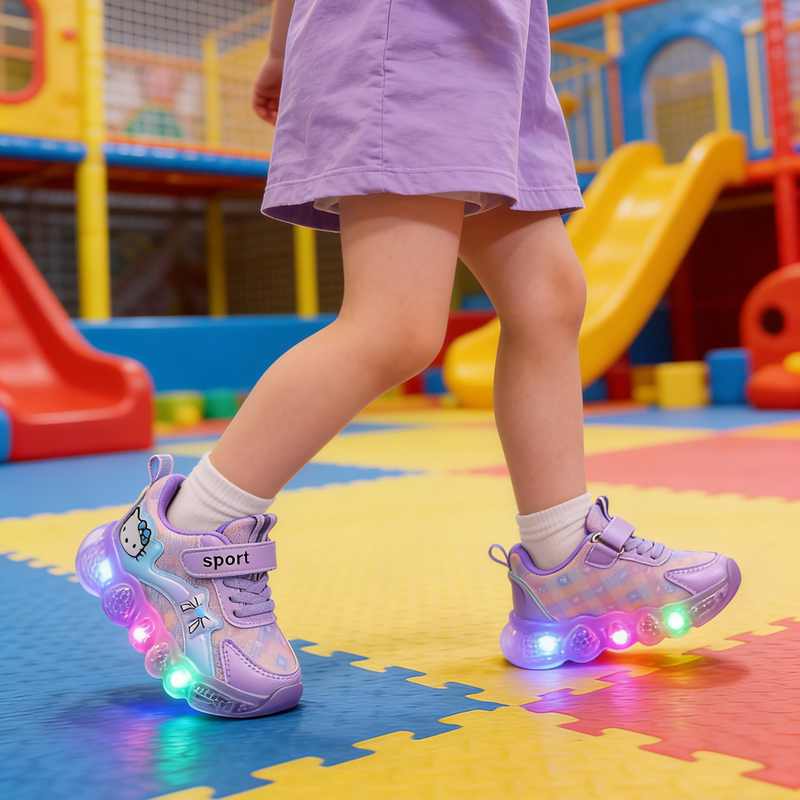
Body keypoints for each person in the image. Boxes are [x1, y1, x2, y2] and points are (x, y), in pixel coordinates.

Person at [76, 0, 741, 717]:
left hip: (504, 51)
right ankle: (184, 533)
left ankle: (564, 561)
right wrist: (278, 47)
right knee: (395, 324)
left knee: (548, 300)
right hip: (413, 31)